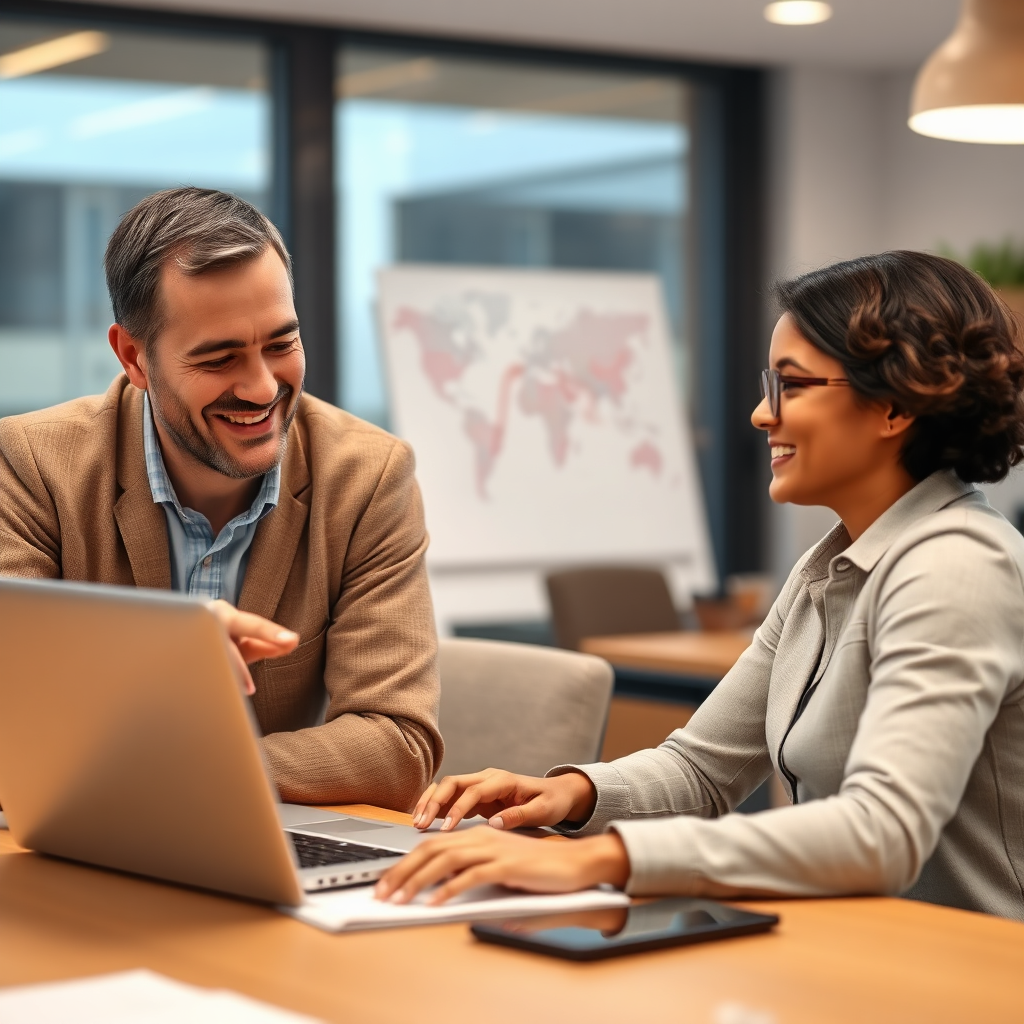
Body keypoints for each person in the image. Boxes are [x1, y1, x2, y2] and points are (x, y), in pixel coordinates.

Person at [375, 250, 1024, 919]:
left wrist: (602, 859)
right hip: (861, 952)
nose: (759, 415)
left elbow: (881, 833)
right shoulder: (828, 570)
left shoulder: (959, 568)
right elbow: (702, 770)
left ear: (892, 406)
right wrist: (572, 794)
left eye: (791, 387)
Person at [0, 187, 442, 810]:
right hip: (83, 840)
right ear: (134, 357)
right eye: (220, 357)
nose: (263, 388)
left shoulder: (368, 478)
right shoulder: (34, 466)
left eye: (281, 344)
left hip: (262, 838)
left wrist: (189, 767)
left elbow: (398, 745)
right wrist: (162, 652)